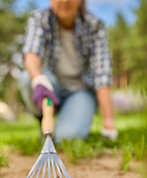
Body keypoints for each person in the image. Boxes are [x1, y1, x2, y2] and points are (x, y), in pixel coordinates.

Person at [18, 0, 118, 143]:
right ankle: (44, 120)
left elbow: (102, 76)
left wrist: (109, 125)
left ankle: (61, 128)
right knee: (28, 77)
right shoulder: (40, 19)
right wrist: (39, 79)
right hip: (51, 87)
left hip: (80, 90)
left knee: (67, 138)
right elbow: (32, 53)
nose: (64, 1)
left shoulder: (94, 25)